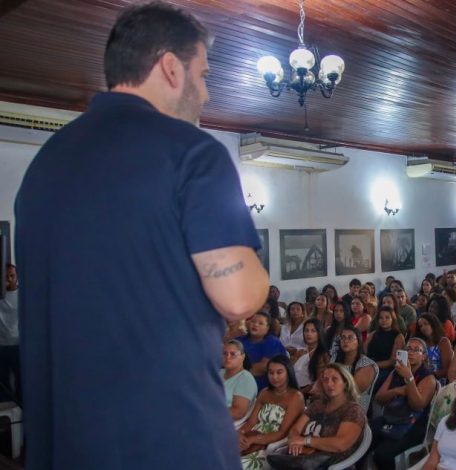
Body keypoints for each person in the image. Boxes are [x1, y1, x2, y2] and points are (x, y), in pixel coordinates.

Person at [13, 4, 270, 468]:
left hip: (65, 441)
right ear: (172, 67)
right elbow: (237, 298)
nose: (208, 92)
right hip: (166, 437)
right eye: (204, 73)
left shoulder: (45, 165)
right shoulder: (191, 152)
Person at [273, 364, 366, 468]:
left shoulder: (353, 410)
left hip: (332, 463)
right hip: (303, 455)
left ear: (345, 383)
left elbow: (341, 444)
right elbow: (295, 429)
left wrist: (305, 441)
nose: (329, 384)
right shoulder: (317, 405)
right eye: (325, 380)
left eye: (334, 379)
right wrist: (295, 442)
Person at [371, 337, 437, 468]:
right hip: (392, 418)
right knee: (364, 435)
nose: (411, 353)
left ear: (423, 356)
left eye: (416, 350)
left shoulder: (428, 377)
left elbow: (417, 405)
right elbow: (379, 398)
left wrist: (409, 378)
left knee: (382, 454)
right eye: (408, 349)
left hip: (413, 425)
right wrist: (397, 391)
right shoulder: (396, 372)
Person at [238, 355, 304, 470]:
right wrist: (240, 433)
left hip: (270, 446)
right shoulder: (264, 392)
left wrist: (254, 440)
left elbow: (282, 432)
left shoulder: (296, 397)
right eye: (271, 372)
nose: (274, 377)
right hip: (250, 438)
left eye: (279, 372)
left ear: (288, 372)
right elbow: (251, 422)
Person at [331, 325, 378, 412]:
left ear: (359, 342)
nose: (346, 341)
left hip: (353, 413)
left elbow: (351, 393)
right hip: (332, 405)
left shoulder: (366, 365)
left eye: (350, 338)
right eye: (343, 337)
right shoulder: (335, 358)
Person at [240, 312, 287, 391]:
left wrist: (237, 373)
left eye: (260, 323)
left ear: (267, 327)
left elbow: (265, 367)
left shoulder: (273, 342)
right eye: (253, 322)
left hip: (264, 387)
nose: (255, 325)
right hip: (239, 382)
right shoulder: (240, 340)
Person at [222, 340, 259, 428]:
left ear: (242, 357)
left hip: (223, 422)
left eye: (233, 354)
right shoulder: (218, 373)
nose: (228, 357)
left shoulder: (245, 379)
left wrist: (208, 412)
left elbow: (238, 412)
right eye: (225, 353)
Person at [291, 318, 329, 396]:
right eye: (306, 330)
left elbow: (319, 380)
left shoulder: (321, 355)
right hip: (294, 390)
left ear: (319, 333)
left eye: (313, 331)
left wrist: (300, 392)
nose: (308, 334)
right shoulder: (300, 352)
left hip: (308, 394)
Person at [0, 264, 20, 405]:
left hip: (18, 344)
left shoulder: (22, 296)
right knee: (3, 382)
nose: (9, 279)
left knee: (22, 380)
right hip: (1, 344)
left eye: (12, 276)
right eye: (6, 276)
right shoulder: (1, 296)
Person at [415, 313, 454, 382]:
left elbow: (447, 369)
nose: (423, 328)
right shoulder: (420, 342)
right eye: (420, 326)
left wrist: (429, 377)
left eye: (426, 324)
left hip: (437, 379)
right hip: (419, 377)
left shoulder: (443, 342)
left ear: (433, 324)